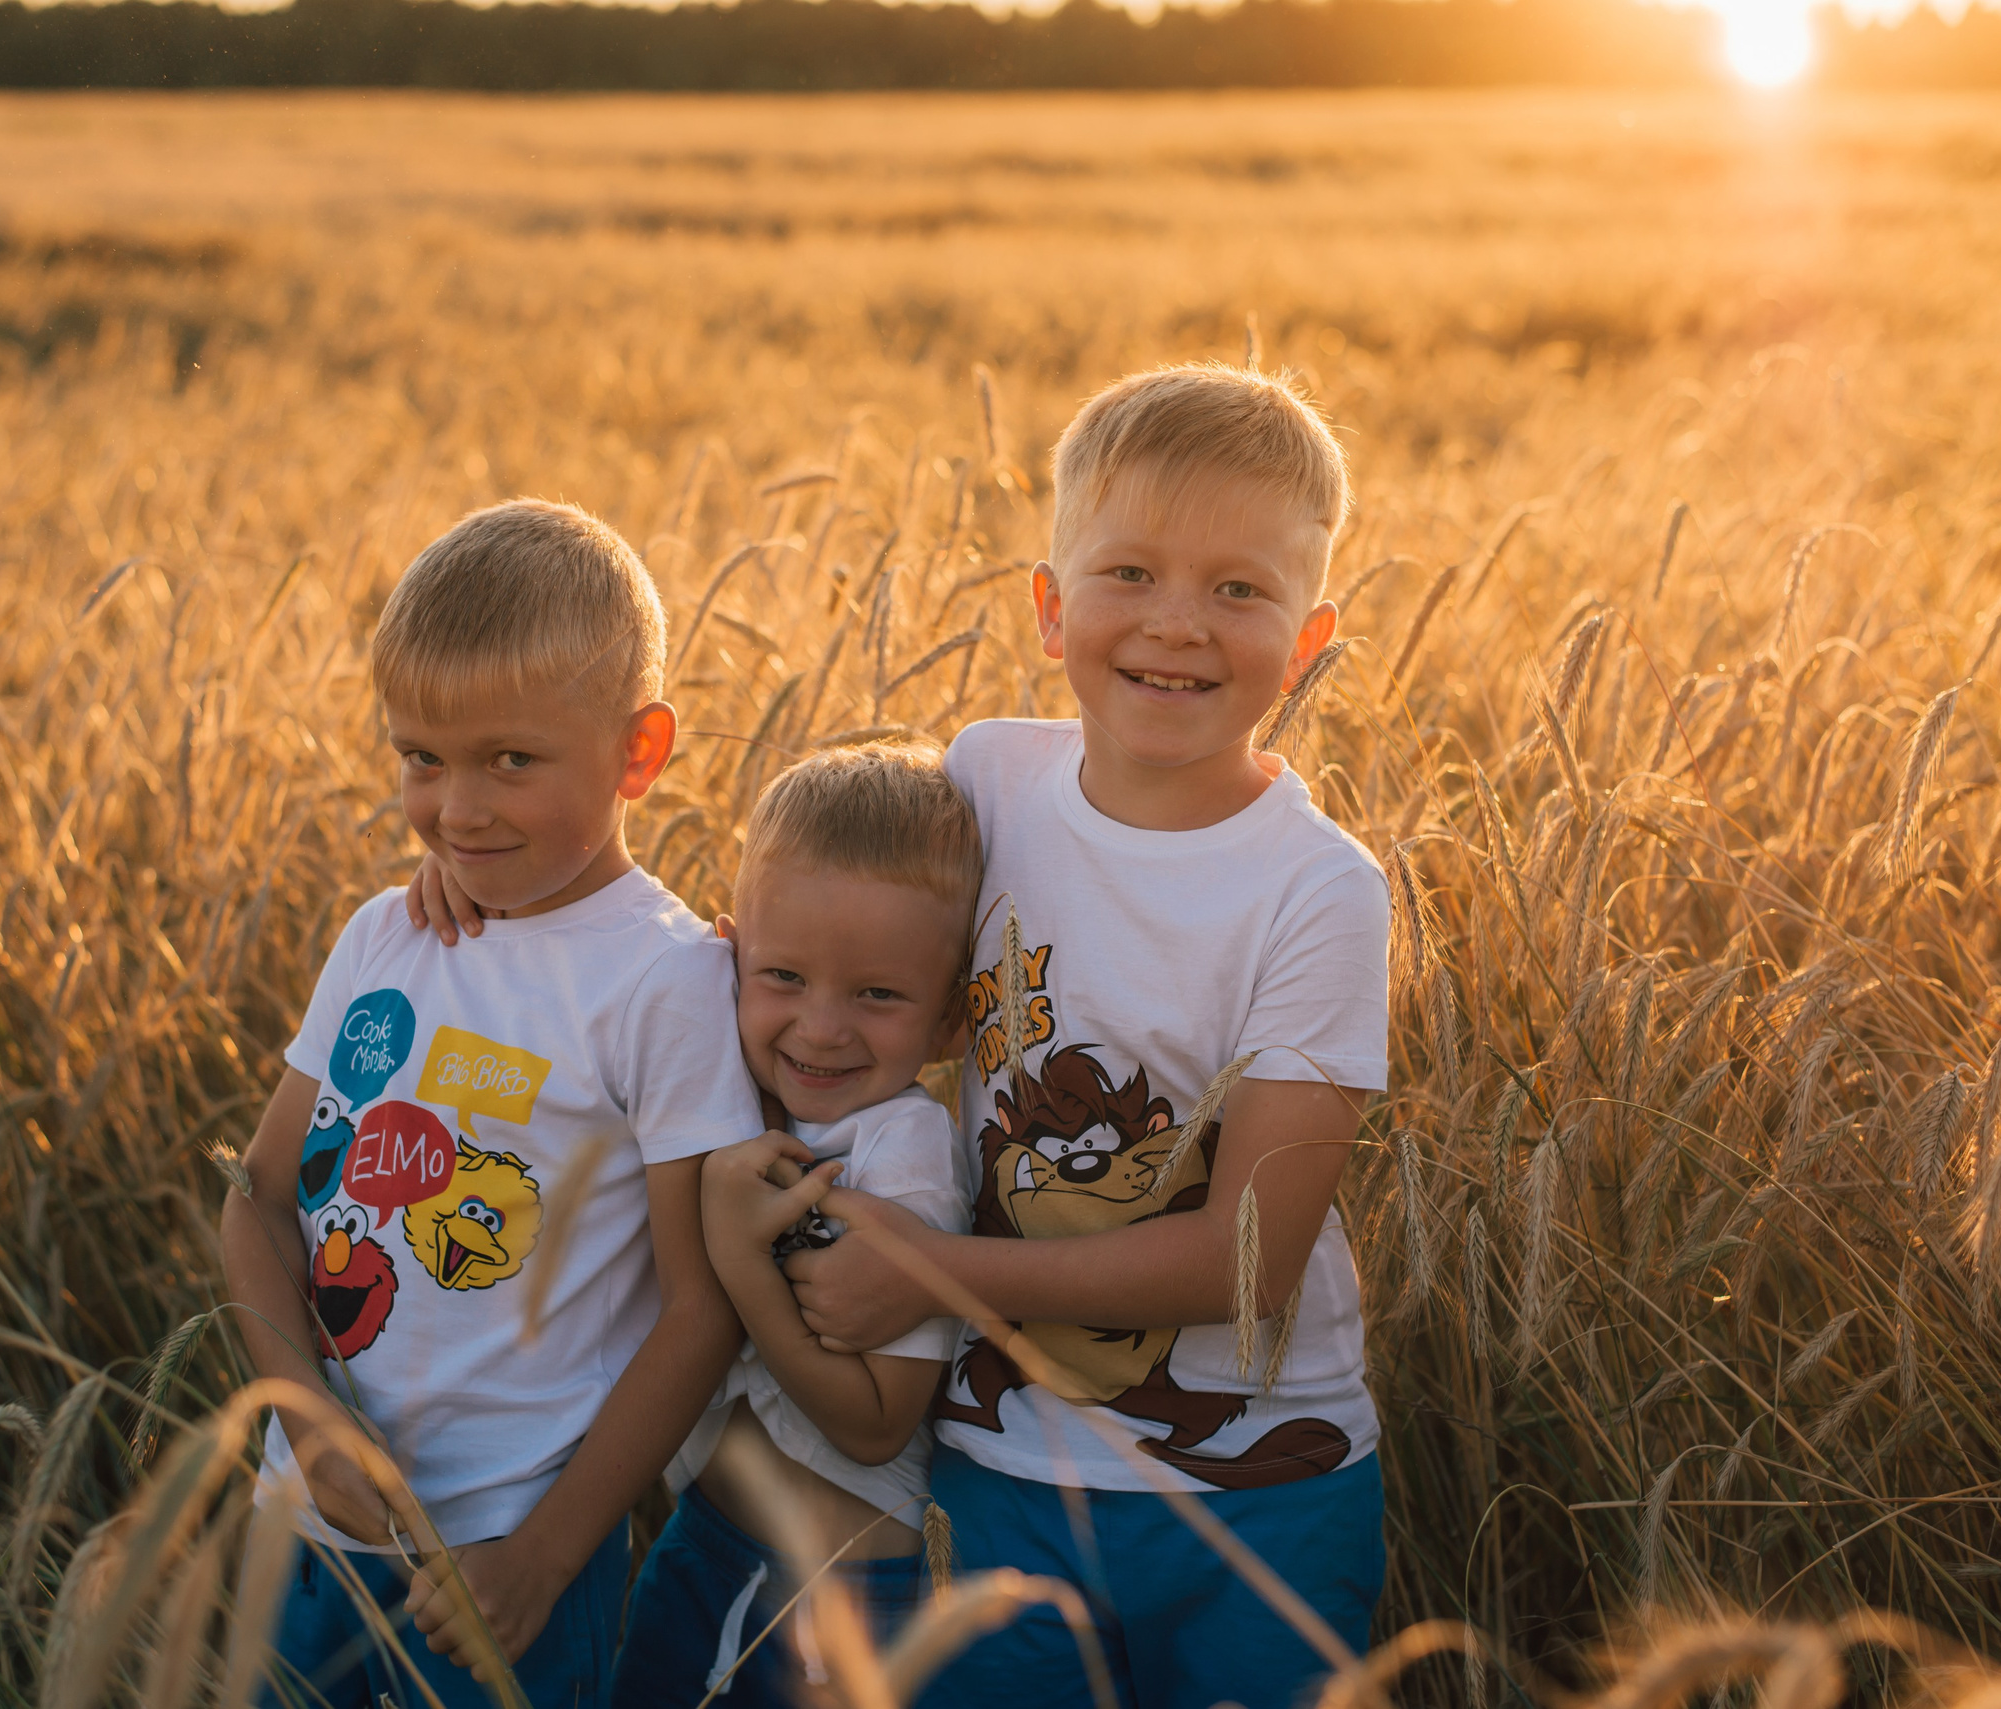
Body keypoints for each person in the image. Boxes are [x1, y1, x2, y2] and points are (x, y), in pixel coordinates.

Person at [784, 362, 1392, 1709]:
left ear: (1310, 637)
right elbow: (810, 955)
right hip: (1007, 1477)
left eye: (1240, 589)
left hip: (1264, 1499)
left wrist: (934, 1273)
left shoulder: (1317, 889)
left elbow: (1250, 1259)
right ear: (1050, 607)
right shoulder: (984, 781)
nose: (1178, 625)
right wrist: (519, 895)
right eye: (1130, 573)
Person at [220, 499, 765, 1709]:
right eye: (422, 757)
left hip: (504, 1563)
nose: (458, 809)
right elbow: (259, 1195)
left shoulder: (664, 980)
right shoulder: (384, 934)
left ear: (639, 752)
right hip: (301, 1535)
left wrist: (550, 1552)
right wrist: (304, 1419)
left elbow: (699, 1307)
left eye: (509, 760)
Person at [612, 742, 982, 1708]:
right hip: (708, 1546)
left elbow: (874, 1421)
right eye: (782, 976)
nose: (820, 1027)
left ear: (951, 1021)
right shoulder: (730, 1094)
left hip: (839, 1602)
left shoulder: (903, 1152)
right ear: (728, 954)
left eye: (877, 994)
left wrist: (742, 1264)